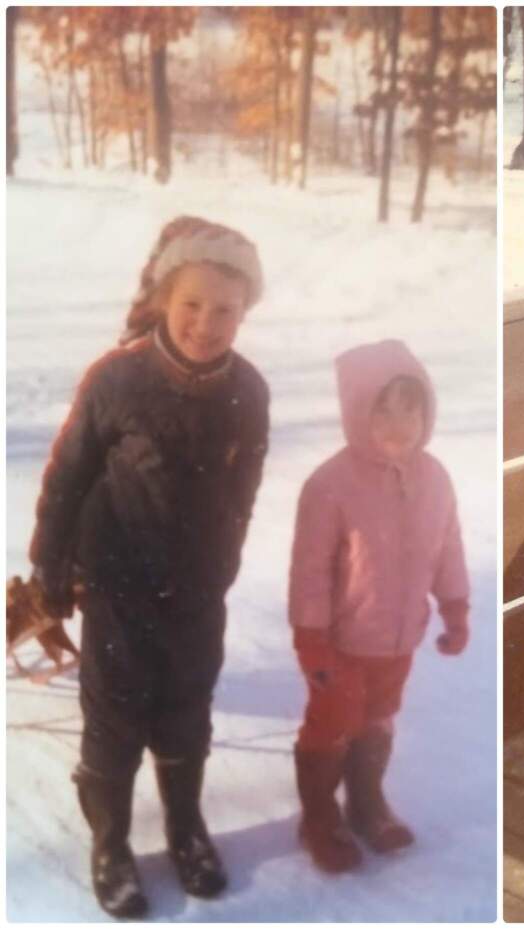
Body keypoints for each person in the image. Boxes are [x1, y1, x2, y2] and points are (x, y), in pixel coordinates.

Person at [29, 216, 269, 918]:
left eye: (225, 309)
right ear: (165, 296)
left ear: (244, 312)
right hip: (116, 582)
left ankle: (184, 826)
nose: (205, 322)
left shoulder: (248, 391)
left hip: (197, 589)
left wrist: (227, 556)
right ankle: (109, 843)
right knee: (114, 716)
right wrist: (50, 567)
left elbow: (245, 485)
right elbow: (67, 475)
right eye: (192, 303)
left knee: (187, 711)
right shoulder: (118, 377)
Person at [288, 338, 470, 874]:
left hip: (399, 640)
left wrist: (455, 607)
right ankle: (318, 817)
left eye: (409, 407)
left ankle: (366, 803)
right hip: (338, 643)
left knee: (378, 719)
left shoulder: (435, 478)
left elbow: (449, 547)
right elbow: (309, 572)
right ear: (355, 413)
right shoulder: (330, 485)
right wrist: (311, 639)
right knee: (332, 723)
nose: (398, 422)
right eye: (381, 408)